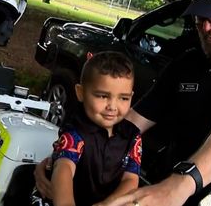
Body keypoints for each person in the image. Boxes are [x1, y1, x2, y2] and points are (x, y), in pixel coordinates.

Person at [34, 0, 211, 206]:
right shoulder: (187, 63)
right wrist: (61, 159)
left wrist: (182, 183)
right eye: (200, 18)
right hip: (163, 191)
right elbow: (129, 123)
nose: (207, 27)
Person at [31, 51, 142, 206]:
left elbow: (130, 179)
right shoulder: (75, 132)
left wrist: (106, 205)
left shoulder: (132, 136)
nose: (112, 106)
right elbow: (64, 169)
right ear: (80, 93)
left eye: (123, 98)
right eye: (102, 96)